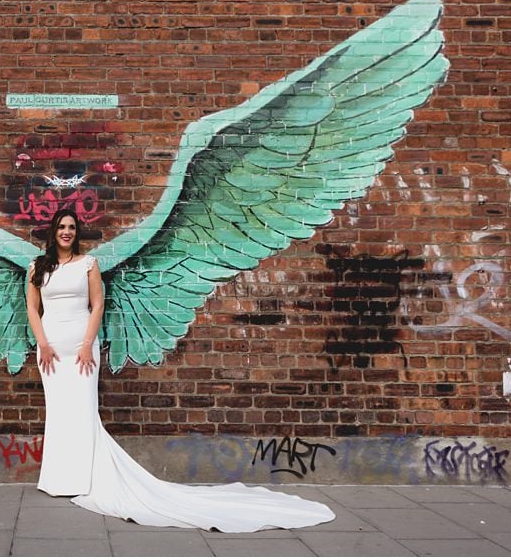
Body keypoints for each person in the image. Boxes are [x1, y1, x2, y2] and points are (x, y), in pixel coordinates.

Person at [26, 208, 336, 532]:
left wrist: (88, 343)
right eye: (61, 226)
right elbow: (33, 308)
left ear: (77, 232)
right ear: (53, 230)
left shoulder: (88, 264)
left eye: (71, 227)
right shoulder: (38, 267)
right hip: (50, 349)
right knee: (59, 412)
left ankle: (84, 477)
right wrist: (43, 344)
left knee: (83, 410)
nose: (66, 231)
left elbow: (98, 304)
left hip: (81, 349)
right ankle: (58, 479)